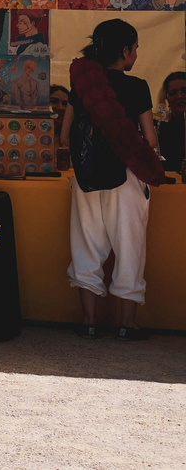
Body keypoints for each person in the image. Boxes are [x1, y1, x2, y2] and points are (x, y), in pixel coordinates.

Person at [62, 19, 165, 341]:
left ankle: (88, 322)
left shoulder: (80, 85)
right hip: (127, 177)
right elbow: (148, 140)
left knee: (86, 246)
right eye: (134, 49)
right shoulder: (137, 86)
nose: (135, 54)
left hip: (86, 177)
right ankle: (126, 324)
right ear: (125, 51)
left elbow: (65, 136)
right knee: (130, 248)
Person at [156, 72, 186, 175]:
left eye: (184, 91)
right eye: (173, 93)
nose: (179, 96)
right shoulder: (160, 129)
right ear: (166, 98)